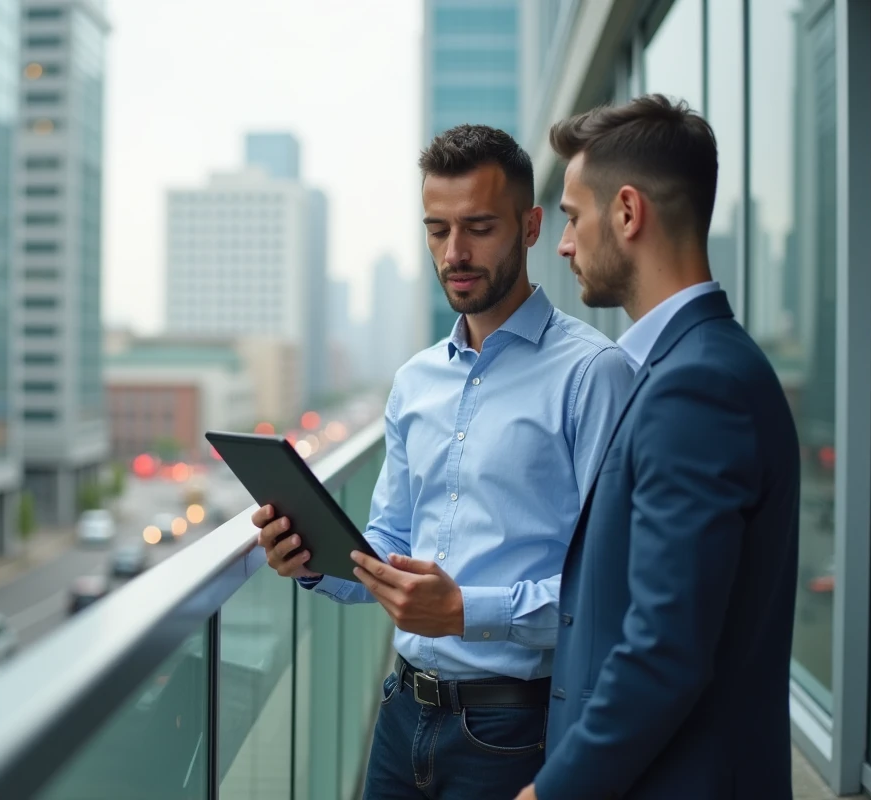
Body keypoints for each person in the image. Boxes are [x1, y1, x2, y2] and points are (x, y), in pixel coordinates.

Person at [252, 125, 635, 799]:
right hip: (400, 713)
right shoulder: (413, 382)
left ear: (531, 226)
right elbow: (391, 546)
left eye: (479, 227)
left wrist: (465, 611)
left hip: (516, 730)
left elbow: (609, 595)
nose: (454, 253)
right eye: (437, 230)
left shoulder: (595, 376)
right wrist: (311, 559)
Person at [514, 95, 800, 800]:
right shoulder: (694, 365)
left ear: (628, 213)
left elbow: (665, 652)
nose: (563, 243)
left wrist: (551, 793)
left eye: (574, 217)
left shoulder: (695, 385)